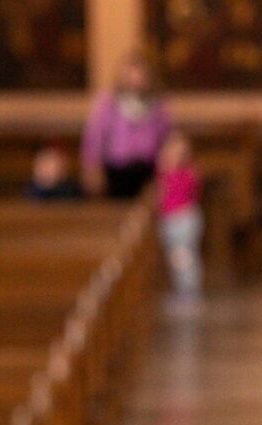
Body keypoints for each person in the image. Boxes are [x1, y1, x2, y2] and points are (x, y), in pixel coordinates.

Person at [80, 49, 172, 199]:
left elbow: (166, 138)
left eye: (139, 74)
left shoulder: (158, 104)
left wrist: (167, 167)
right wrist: (92, 167)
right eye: (131, 74)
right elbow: (95, 137)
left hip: (148, 169)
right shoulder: (108, 102)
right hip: (117, 169)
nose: (135, 79)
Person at [154, 131, 205, 297]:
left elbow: (194, 190)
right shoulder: (164, 174)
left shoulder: (189, 173)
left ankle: (188, 289)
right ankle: (181, 288)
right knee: (175, 256)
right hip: (169, 218)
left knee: (184, 255)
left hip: (184, 218)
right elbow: (160, 196)